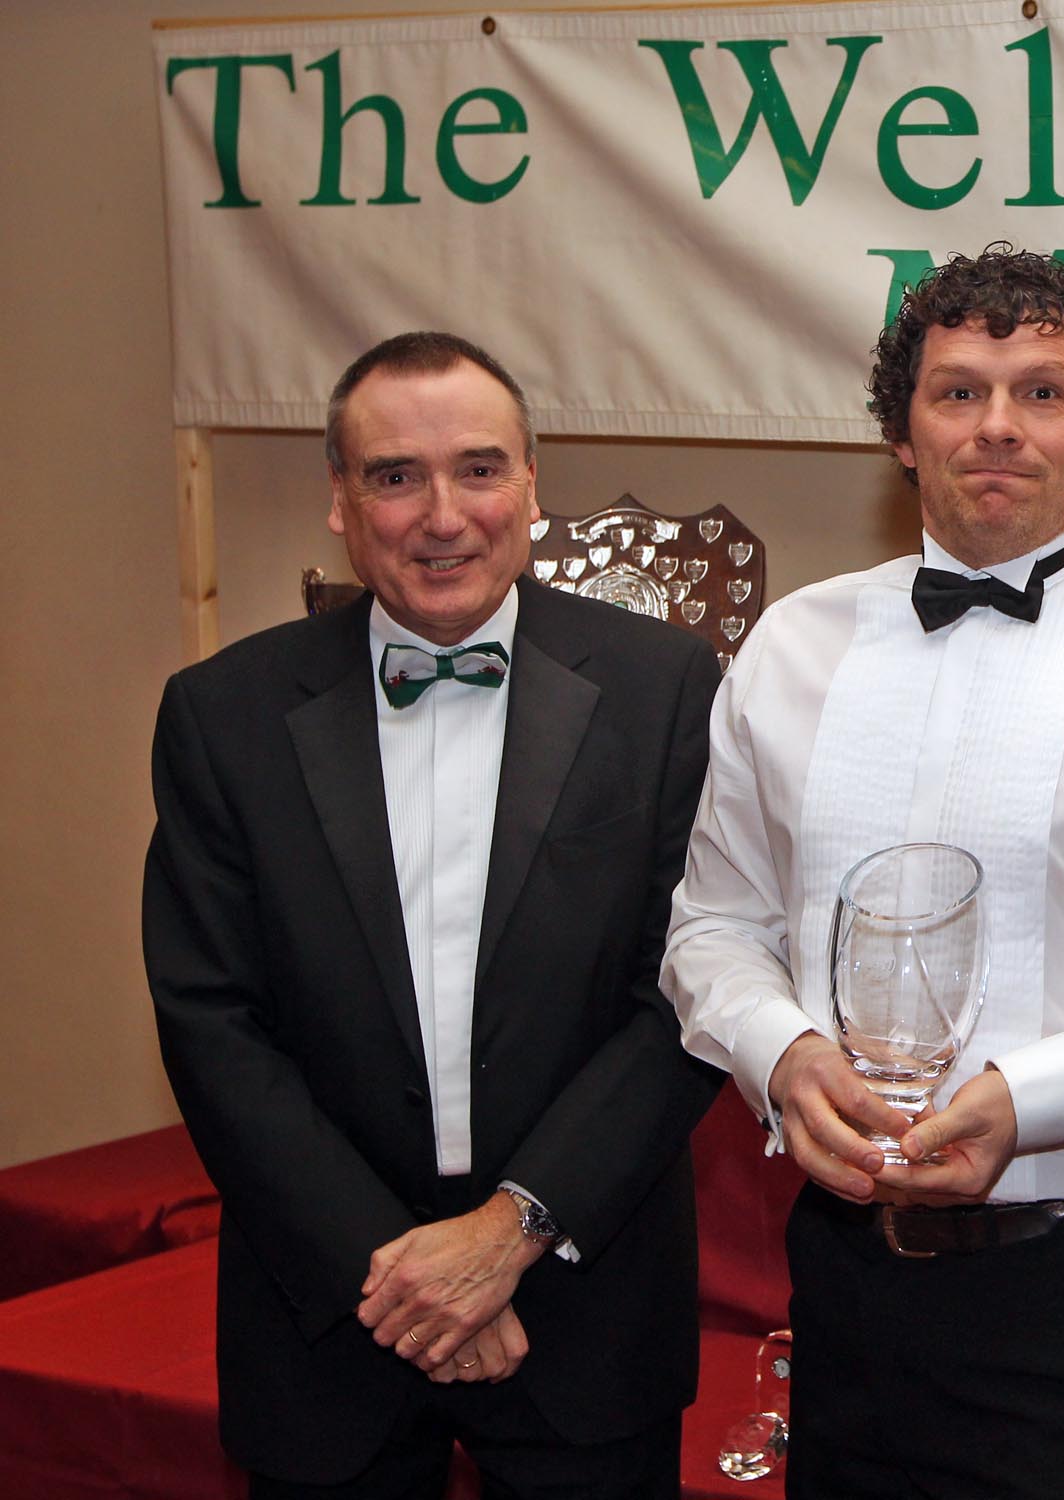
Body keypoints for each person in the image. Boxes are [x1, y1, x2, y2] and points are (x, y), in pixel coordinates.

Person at [660, 245, 1064, 1498]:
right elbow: (712, 925)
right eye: (958, 392)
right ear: (902, 432)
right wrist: (782, 1053)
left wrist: (1030, 1098)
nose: (998, 425)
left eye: (1042, 392)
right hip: (844, 1283)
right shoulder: (789, 647)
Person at [144, 331, 723, 1497]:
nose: (442, 515)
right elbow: (211, 1021)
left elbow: (690, 986)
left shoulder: (668, 689)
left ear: (531, 485)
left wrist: (510, 1234)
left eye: (479, 469)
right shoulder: (224, 713)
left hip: (584, 1303)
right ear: (340, 502)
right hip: (330, 1317)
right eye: (396, 476)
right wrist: (403, 1282)